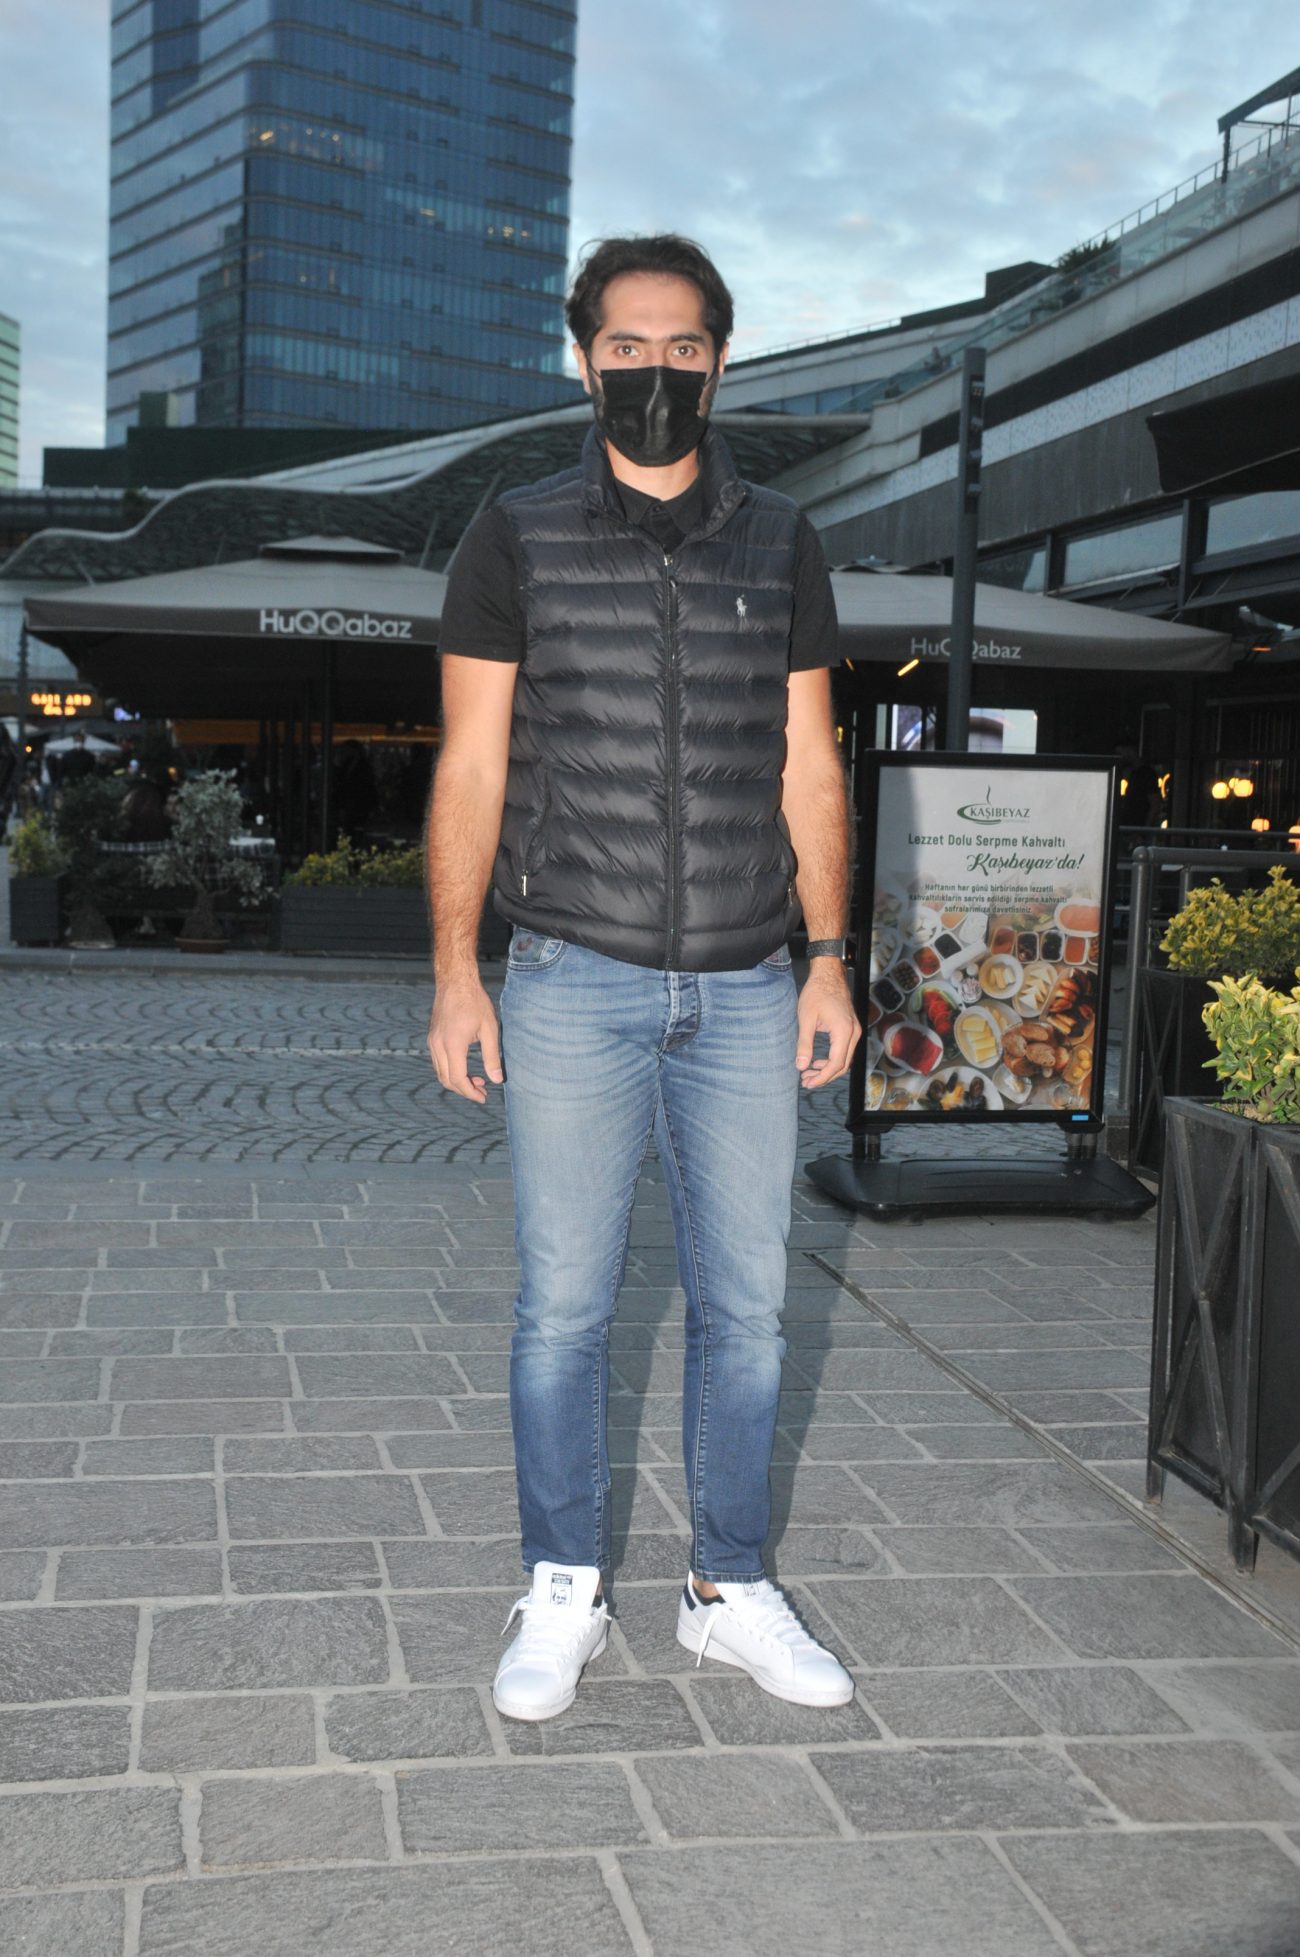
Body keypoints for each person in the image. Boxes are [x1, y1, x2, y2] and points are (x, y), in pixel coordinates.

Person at [426, 234, 860, 1723]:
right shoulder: (516, 534)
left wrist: (830, 961)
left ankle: (727, 1588)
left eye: (683, 347)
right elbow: (472, 764)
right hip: (570, 971)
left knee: (752, 1309)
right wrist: (457, 971)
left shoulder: (783, 538)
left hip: (747, 982)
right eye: (628, 346)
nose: (654, 371)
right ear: (583, 360)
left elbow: (812, 765)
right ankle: (563, 1582)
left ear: (720, 364)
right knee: (563, 1307)